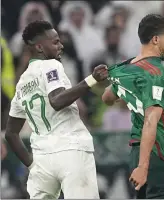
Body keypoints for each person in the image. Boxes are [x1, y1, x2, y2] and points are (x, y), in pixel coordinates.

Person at [5, 20, 108, 199]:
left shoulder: (22, 83)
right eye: (55, 42)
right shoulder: (51, 65)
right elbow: (57, 100)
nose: (61, 45)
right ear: (39, 47)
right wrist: (91, 80)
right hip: (71, 150)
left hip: (42, 160)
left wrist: (31, 165)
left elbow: (10, 133)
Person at [102, 14, 164, 199]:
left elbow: (107, 97)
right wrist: (143, 167)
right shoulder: (157, 73)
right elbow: (151, 120)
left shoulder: (127, 68)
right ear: (156, 39)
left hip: (137, 152)